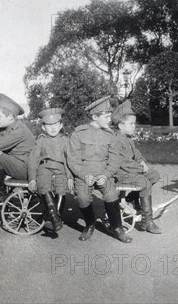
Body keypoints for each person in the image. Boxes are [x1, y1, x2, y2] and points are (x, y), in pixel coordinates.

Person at [67, 96, 132, 243]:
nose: (110, 119)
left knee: (110, 194)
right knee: (83, 197)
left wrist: (107, 174)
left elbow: (115, 159)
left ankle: (117, 228)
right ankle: (90, 224)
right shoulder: (79, 133)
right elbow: (73, 159)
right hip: (84, 173)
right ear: (95, 117)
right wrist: (83, 175)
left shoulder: (111, 135)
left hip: (104, 173)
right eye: (106, 116)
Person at [110, 100, 161, 234]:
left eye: (134, 123)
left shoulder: (127, 139)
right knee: (144, 182)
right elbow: (124, 162)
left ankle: (130, 199)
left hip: (130, 173)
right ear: (121, 125)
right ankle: (147, 221)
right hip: (121, 175)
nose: (134, 126)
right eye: (131, 123)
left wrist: (141, 161)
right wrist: (140, 168)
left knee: (154, 174)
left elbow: (135, 153)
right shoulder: (116, 141)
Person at [28, 108, 72, 233]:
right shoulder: (41, 140)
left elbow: (69, 159)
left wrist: (70, 176)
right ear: (43, 128)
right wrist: (32, 179)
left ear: (61, 125)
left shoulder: (65, 140)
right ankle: (55, 219)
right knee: (43, 185)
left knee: (61, 189)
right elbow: (33, 159)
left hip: (60, 168)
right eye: (49, 125)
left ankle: (54, 218)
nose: (53, 128)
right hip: (44, 167)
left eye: (56, 124)